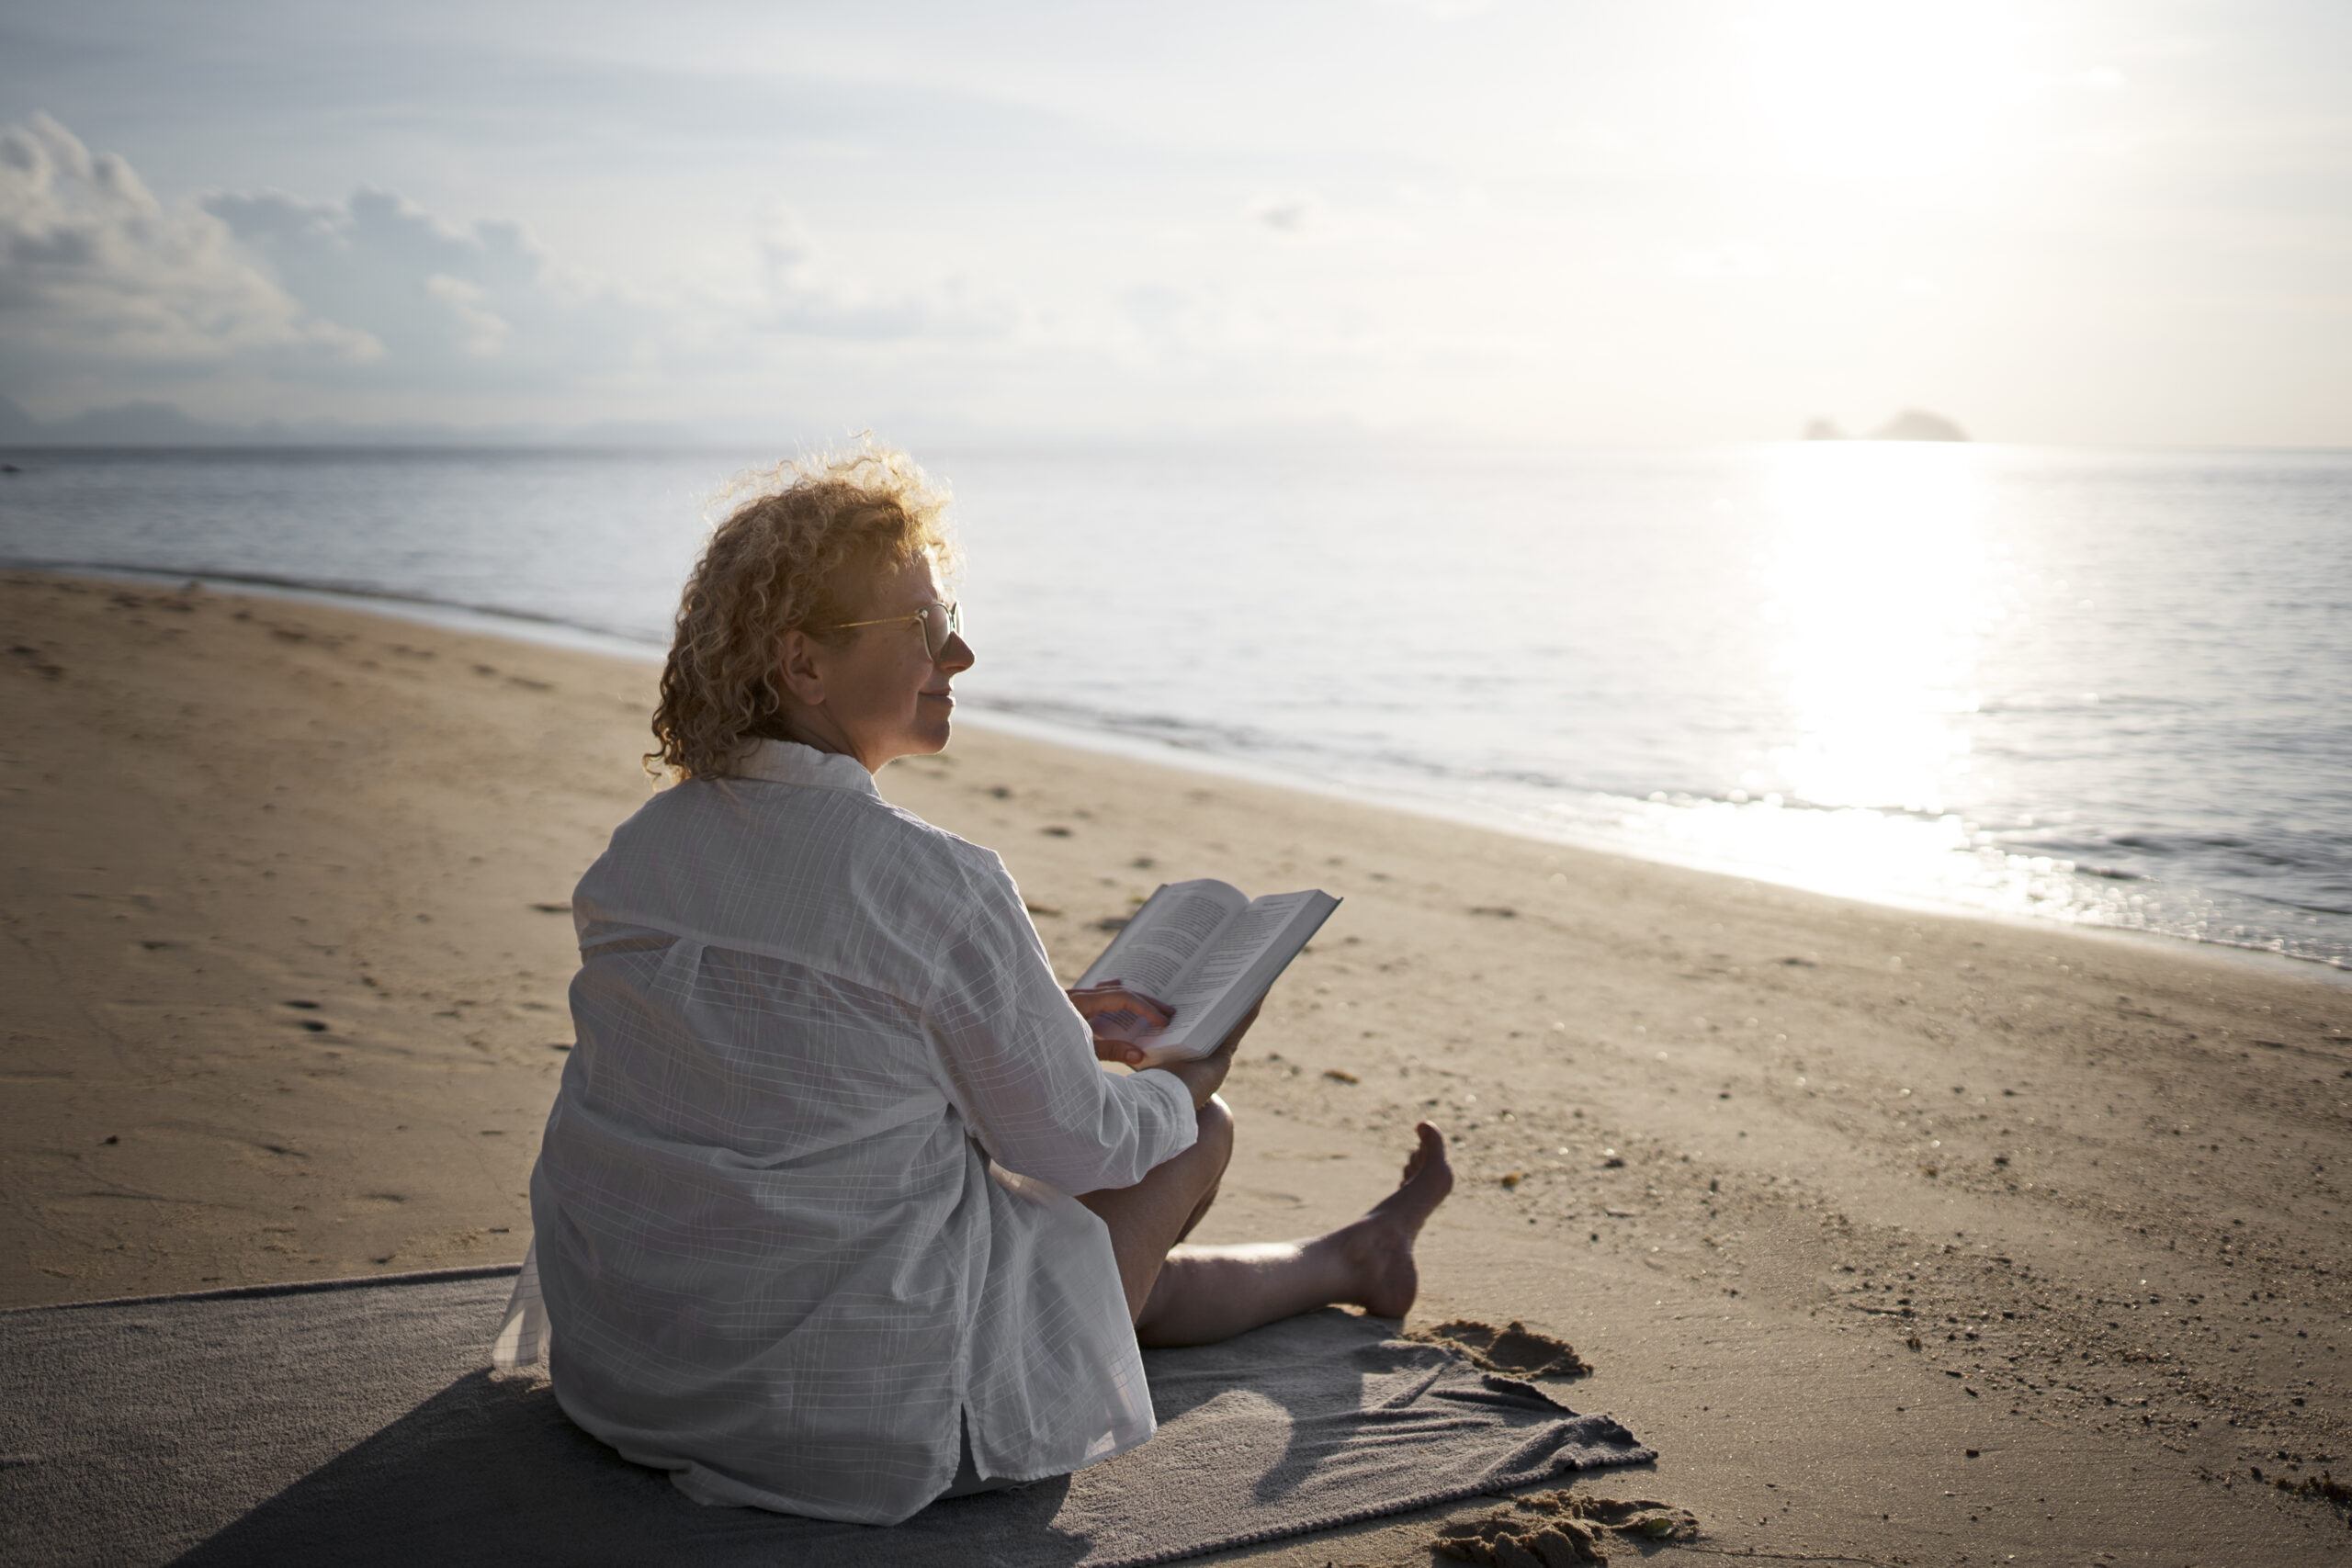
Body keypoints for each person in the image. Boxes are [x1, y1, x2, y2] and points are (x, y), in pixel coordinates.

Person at [503, 444, 1453, 1526]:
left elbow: (801, 1059)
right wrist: (1191, 1071)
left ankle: (1344, 1255)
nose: (957, 650)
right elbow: (1073, 1149)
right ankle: (1300, 1242)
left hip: (631, 1368)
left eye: (944, 611)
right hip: (843, 1420)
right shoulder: (931, 882)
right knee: (1184, 1136)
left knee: (1025, 1226)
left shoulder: (643, 849)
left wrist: (1041, 1024)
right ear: (804, 666)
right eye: (918, 626)